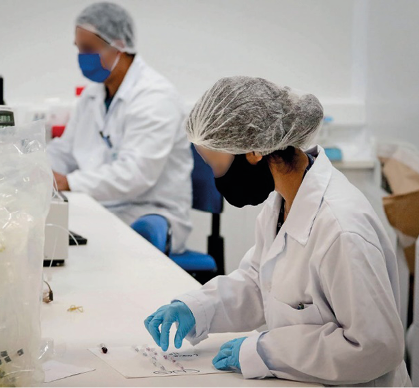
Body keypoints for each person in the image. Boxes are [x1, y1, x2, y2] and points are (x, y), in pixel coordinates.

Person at [144, 77, 411, 387]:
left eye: (214, 164)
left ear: (254, 151)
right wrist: (197, 307)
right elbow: (262, 285)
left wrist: (266, 351)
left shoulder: (341, 229)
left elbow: (375, 347)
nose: (214, 177)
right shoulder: (281, 203)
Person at [47, 2, 192, 253]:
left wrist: (68, 182)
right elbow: (65, 151)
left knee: (69, 241)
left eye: (89, 49)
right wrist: (35, 170)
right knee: (47, 229)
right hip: (104, 205)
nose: (83, 57)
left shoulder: (155, 97)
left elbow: (135, 174)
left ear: (119, 46)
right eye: (79, 49)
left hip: (148, 212)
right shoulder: (93, 95)